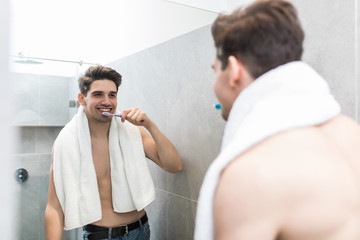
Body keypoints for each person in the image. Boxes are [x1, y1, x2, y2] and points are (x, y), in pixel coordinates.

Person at [195, 0, 360, 239]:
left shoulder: (249, 174)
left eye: (214, 70)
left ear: (233, 71)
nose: (214, 83)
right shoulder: (352, 133)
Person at [45, 65, 182, 240]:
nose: (107, 102)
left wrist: (150, 125)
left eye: (112, 95)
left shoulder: (133, 131)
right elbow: (54, 207)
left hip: (140, 231)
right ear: (82, 99)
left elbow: (174, 165)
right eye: (98, 94)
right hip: (100, 236)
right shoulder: (66, 143)